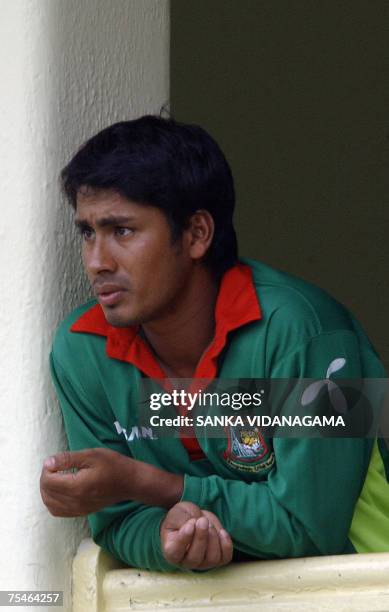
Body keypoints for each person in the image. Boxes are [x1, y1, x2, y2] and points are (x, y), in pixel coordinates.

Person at [40, 115, 389, 572]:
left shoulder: (308, 331)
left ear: (197, 234)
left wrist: (152, 484)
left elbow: (309, 527)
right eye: (87, 232)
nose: (96, 261)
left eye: (121, 231)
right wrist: (168, 539)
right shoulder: (82, 348)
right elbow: (117, 522)